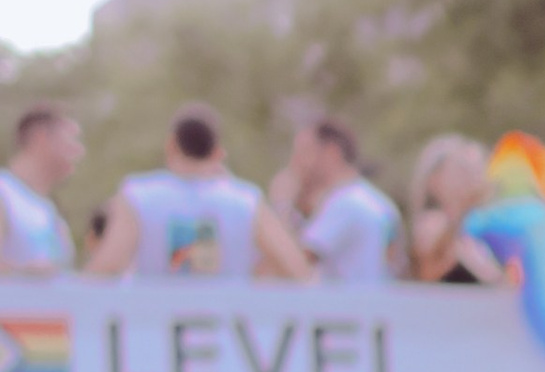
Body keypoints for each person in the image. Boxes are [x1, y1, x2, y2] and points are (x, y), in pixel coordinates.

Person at [87, 108, 312, 282]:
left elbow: (107, 268)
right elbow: (296, 272)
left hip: (159, 332)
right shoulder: (245, 200)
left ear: (171, 145)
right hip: (227, 329)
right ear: (217, 153)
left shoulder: (138, 195)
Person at [274, 117, 404, 283]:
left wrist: (282, 204)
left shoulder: (344, 204)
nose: (295, 163)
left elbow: (294, 263)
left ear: (331, 153)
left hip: (349, 307)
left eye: (304, 152)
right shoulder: (379, 202)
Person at [406, 137, 504, 289]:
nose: (471, 179)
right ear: (434, 179)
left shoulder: (482, 226)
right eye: (461, 171)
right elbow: (429, 271)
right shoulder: (431, 224)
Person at [1, 104, 81, 272]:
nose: (79, 151)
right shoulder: (5, 194)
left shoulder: (48, 209)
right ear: (41, 138)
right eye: (70, 140)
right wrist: (23, 273)